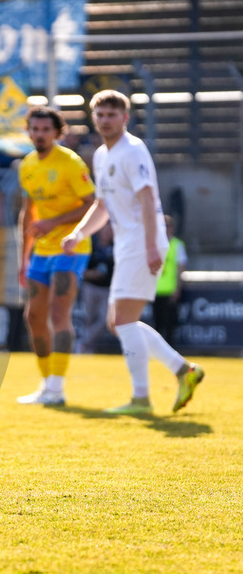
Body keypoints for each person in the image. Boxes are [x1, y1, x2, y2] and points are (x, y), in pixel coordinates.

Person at [62, 90, 203, 414]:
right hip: (128, 243)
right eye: (100, 115)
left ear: (125, 118)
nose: (105, 120)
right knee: (118, 322)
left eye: (112, 114)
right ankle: (185, 371)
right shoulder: (100, 155)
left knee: (123, 321)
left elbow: (148, 197)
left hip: (142, 241)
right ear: (94, 118)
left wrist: (153, 246)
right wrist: (79, 232)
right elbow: (102, 205)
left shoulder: (133, 150)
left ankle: (141, 398)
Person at [15, 106, 96, 406]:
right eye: (34, 129)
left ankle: (58, 388)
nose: (39, 134)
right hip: (42, 251)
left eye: (45, 130)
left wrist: (54, 223)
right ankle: (46, 384)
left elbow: (92, 203)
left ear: (57, 133)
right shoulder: (27, 164)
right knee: (34, 317)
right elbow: (28, 212)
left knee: (59, 314)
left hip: (71, 248)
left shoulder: (71, 163)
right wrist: (23, 257)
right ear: (29, 131)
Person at [77, 223, 115, 354]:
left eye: (110, 229)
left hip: (108, 289)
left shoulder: (116, 246)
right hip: (91, 287)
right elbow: (80, 270)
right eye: (105, 229)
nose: (108, 232)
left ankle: (83, 343)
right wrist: (91, 274)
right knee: (88, 319)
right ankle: (87, 349)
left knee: (105, 320)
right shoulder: (91, 245)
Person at [153, 215, 186, 345]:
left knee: (170, 324)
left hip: (170, 290)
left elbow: (180, 268)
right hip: (155, 290)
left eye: (167, 226)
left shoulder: (177, 245)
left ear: (172, 229)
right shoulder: (153, 244)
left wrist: (177, 288)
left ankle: (170, 352)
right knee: (157, 324)